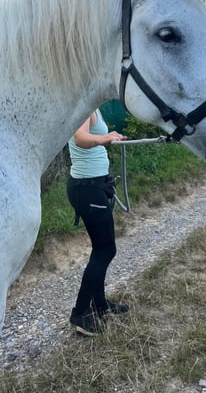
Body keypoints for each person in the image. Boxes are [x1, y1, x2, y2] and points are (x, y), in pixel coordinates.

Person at [67, 109, 130, 336]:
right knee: (105, 250)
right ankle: (80, 312)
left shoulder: (95, 107)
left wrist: (109, 136)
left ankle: (100, 305)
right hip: (88, 189)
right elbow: (80, 138)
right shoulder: (84, 107)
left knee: (101, 249)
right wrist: (105, 138)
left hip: (94, 186)